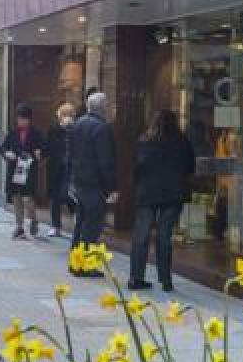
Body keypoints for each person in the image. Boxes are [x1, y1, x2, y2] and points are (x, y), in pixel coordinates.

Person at [129, 109, 196, 292]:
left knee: (141, 235)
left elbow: (138, 167)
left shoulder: (144, 141)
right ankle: (166, 280)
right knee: (164, 236)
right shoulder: (182, 141)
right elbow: (190, 167)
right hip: (173, 194)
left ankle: (136, 277)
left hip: (147, 193)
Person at [69, 91, 116, 277]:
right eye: (109, 105)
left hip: (79, 182)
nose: (111, 108)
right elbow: (106, 161)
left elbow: (70, 154)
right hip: (94, 184)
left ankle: (75, 264)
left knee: (80, 224)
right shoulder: (102, 128)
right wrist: (111, 188)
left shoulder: (78, 123)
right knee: (92, 227)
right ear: (103, 108)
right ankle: (87, 266)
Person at [1, 103, 45, 239]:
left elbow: (43, 148)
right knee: (16, 197)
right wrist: (7, 153)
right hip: (14, 168)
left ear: (29, 119)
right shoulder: (12, 132)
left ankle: (33, 219)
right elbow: (3, 148)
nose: (20, 121)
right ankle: (19, 227)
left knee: (27, 198)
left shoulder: (36, 133)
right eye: (19, 118)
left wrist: (39, 153)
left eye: (23, 119)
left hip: (28, 168)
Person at [45, 102, 77, 238]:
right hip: (55, 168)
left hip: (71, 168)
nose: (66, 118)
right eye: (64, 115)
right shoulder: (53, 129)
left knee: (69, 195)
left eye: (69, 115)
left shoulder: (76, 129)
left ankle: (77, 223)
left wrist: (70, 129)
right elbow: (48, 146)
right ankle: (56, 226)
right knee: (55, 197)